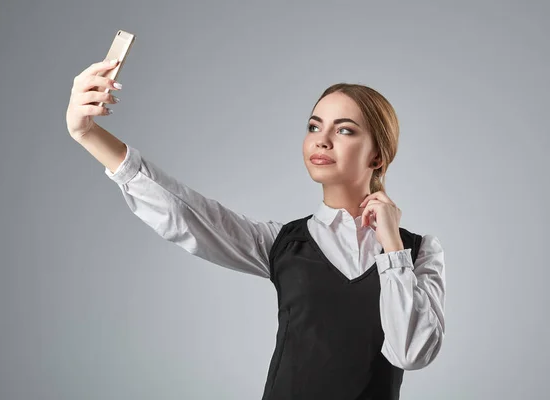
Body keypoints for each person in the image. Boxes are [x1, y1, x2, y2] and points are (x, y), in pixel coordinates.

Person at [66, 59, 446, 400]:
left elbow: (411, 353)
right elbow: (186, 213)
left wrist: (393, 247)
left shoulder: (419, 251)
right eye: (314, 126)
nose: (322, 139)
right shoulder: (281, 243)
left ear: (378, 154)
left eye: (344, 130)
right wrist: (87, 134)